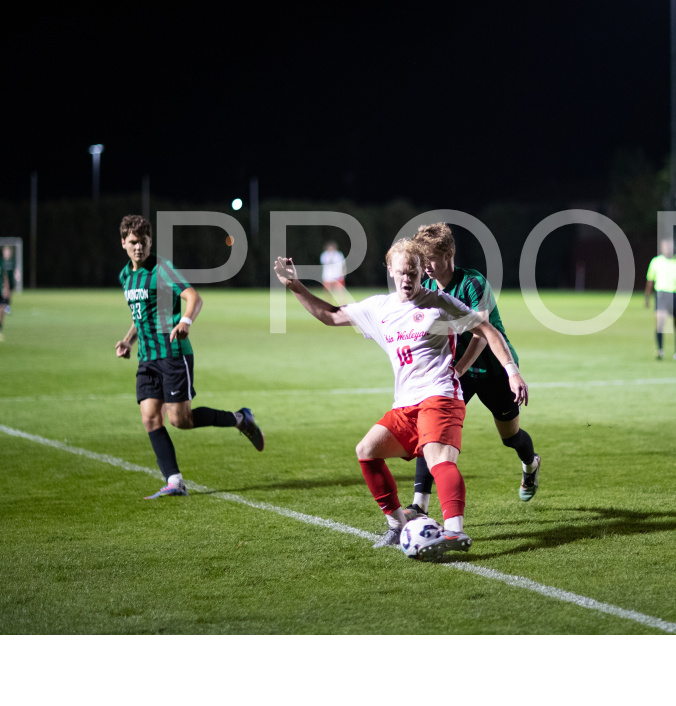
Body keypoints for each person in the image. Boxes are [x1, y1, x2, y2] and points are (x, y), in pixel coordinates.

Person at [274, 238, 529, 558]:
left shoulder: (439, 303)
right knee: (367, 451)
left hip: (440, 396)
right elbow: (331, 315)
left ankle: (454, 531)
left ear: (422, 271)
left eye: (413, 272)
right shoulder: (379, 308)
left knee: (439, 459)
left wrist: (511, 371)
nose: (407, 279)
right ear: (390, 271)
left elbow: (487, 330)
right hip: (406, 405)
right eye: (402, 272)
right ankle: (397, 525)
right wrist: (295, 285)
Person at [114, 214, 265, 500]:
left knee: (180, 420)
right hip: (147, 358)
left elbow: (194, 298)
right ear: (123, 243)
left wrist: (186, 321)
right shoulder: (126, 276)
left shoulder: (162, 269)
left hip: (173, 353)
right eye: (133, 242)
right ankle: (174, 481)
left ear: (150, 241)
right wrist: (127, 340)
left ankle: (240, 419)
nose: (138, 247)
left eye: (143, 241)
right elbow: (140, 315)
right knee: (150, 418)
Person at [410, 222, 541, 505]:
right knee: (432, 431)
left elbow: (481, 336)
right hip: (457, 373)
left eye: (430, 258)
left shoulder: (473, 282)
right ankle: (419, 506)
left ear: (449, 254)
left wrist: (459, 369)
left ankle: (531, 464)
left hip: (494, 370)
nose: (426, 266)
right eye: (423, 259)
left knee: (510, 437)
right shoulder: (426, 287)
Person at [644, 237, 676, 361]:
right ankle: (660, 350)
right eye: (665, 246)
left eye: (670, 246)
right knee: (660, 323)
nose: (668, 248)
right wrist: (647, 298)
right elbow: (650, 280)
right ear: (661, 248)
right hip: (662, 295)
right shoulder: (656, 261)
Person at [1, 246, 19, 315]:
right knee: (5, 293)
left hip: (11, 280)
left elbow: (15, 269)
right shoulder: (2, 261)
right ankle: (4, 306)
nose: (7, 253)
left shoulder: (12, 260)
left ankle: (7, 306)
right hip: (4, 280)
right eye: (5, 252)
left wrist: (17, 275)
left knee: (10, 294)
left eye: (8, 252)